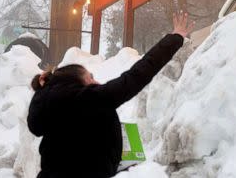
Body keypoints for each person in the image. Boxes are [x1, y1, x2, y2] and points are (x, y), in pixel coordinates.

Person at [27, 12, 192, 177]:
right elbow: (138, 74)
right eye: (90, 77)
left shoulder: (54, 106)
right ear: (74, 80)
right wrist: (175, 38)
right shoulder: (84, 100)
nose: (96, 82)